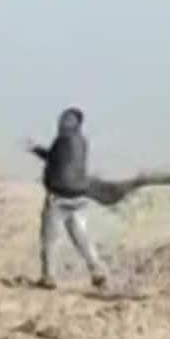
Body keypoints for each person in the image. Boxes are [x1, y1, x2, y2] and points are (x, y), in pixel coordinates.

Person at [27, 107, 108, 290]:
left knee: (50, 239)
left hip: (59, 197)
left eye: (67, 119)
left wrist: (35, 149)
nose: (63, 122)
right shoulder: (82, 142)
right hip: (79, 197)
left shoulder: (62, 141)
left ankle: (48, 277)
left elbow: (53, 159)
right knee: (82, 238)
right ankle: (98, 272)